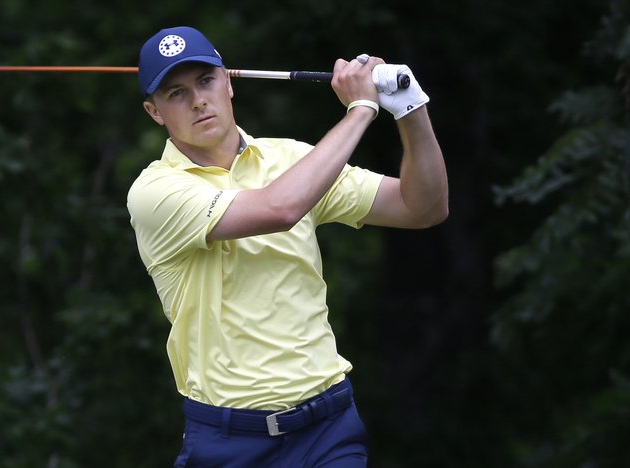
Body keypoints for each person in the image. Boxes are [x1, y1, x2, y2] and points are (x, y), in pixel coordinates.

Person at [127, 26, 448, 467]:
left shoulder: (293, 160)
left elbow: (422, 207)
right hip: (229, 441)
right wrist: (360, 110)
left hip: (327, 429)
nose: (198, 100)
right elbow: (279, 208)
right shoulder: (154, 191)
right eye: (176, 92)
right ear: (154, 111)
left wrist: (410, 106)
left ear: (229, 83)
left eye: (206, 81)